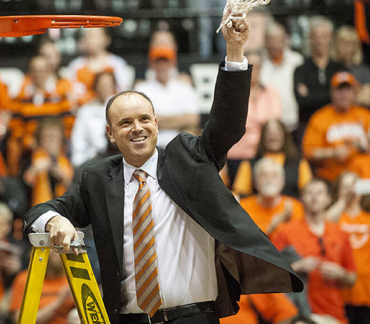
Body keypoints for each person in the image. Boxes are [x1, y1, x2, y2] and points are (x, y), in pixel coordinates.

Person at [24, 13, 303, 324]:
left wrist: (235, 52)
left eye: (144, 119)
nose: (137, 128)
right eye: (125, 123)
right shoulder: (99, 178)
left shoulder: (188, 158)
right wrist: (55, 223)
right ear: (110, 134)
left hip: (194, 316)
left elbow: (227, 124)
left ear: (156, 124)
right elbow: (39, 212)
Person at [271, 179, 356, 324]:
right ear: (301, 199)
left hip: (333, 313)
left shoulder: (340, 233)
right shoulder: (285, 232)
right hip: (296, 315)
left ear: (328, 199)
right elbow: (268, 274)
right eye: (309, 193)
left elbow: (352, 278)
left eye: (319, 193)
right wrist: (297, 267)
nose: (314, 197)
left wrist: (340, 273)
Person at [325, 172, 370, 324]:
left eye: (355, 186)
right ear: (338, 191)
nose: (351, 190)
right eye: (345, 187)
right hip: (340, 294)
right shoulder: (335, 217)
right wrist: (343, 201)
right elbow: (323, 228)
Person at [302, 71, 370, 182]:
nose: (344, 94)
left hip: (364, 177)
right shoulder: (320, 118)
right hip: (331, 179)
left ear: (354, 93)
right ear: (332, 93)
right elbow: (308, 151)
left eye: (348, 89)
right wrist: (332, 152)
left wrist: (363, 148)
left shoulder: (366, 116)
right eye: (340, 89)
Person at [7, 56, 74, 176]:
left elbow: (68, 125)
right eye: (35, 70)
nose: (39, 74)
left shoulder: (59, 96)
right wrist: (30, 142)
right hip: (29, 149)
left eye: (42, 70)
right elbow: (16, 127)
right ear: (30, 73)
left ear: (49, 71)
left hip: (57, 147)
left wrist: (57, 143)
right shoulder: (21, 98)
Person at [226, 50, 282, 184]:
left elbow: (275, 122)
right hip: (237, 154)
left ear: (261, 68)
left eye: (256, 66)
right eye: (248, 66)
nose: (252, 70)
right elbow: (232, 124)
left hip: (265, 154)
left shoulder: (271, 92)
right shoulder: (233, 94)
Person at [134, 44, 200, 148]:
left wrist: (158, 122)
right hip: (151, 146)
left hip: (180, 146)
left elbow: (193, 118)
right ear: (152, 64)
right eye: (158, 62)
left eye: (165, 62)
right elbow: (141, 121)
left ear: (172, 64)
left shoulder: (184, 87)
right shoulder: (142, 88)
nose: (162, 66)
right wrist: (179, 120)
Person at [293, 16, 346, 146]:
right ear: (310, 39)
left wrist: (312, 95)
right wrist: (331, 95)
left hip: (337, 124)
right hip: (308, 125)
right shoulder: (301, 69)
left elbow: (345, 99)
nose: (320, 41)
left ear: (330, 39)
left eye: (324, 36)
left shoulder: (339, 68)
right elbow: (302, 101)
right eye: (316, 36)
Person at [232, 119, 313, 198]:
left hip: (291, 209)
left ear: (284, 135)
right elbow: (240, 192)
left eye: (277, 132)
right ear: (263, 136)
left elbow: (308, 192)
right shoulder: (249, 163)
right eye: (269, 133)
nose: (273, 136)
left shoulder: (298, 162)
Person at [239, 158, 305, 235]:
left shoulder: (295, 207)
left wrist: (289, 225)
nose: (269, 179)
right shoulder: (242, 208)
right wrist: (272, 227)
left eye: (274, 175)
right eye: (263, 175)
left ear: (282, 182)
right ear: (255, 182)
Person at [66, 28, 130, 106]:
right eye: (87, 36)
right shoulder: (76, 66)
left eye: (93, 36)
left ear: (106, 39)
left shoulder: (117, 64)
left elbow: (123, 92)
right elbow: (70, 94)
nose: (89, 40)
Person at [260, 21, 304, 132]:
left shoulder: (297, 61)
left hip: (293, 123)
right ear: (265, 41)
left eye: (277, 39)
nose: (274, 44)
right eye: (271, 40)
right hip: (267, 127)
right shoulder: (258, 64)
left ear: (284, 40)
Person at [9, 250, 75, 324]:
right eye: (52, 248)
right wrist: (58, 302)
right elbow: (20, 320)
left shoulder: (74, 279)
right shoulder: (26, 279)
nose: (56, 253)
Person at [70, 72, 117, 168]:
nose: (104, 88)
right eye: (101, 85)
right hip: (91, 159)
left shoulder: (120, 109)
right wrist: (78, 163)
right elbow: (78, 139)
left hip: (116, 157)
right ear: (95, 86)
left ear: (113, 86)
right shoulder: (85, 110)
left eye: (108, 85)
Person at [23, 118, 74, 206]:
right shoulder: (29, 158)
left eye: (54, 137)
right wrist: (33, 170)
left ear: (61, 140)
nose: (50, 141)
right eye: (46, 137)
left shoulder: (66, 162)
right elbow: (22, 187)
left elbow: (73, 188)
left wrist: (63, 178)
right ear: (39, 140)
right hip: (36, 209)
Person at [330, 26, 370, 109]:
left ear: (355, 46)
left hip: (357, 116)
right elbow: (325, 99)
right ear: (336, 44)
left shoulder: (363, 71)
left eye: (349, 43)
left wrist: (341, 99)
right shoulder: (329, 68)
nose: (345, 47)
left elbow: (366, 100)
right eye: (342, 42)